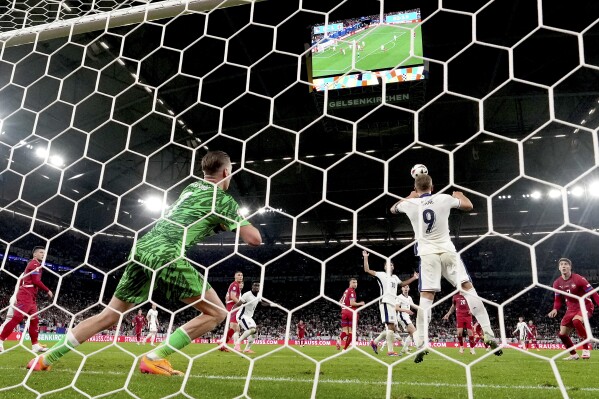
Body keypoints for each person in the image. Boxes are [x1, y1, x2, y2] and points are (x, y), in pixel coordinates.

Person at [28, 150, 262, 375]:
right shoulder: (223, 200)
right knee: (217, 313)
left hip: (142, 248)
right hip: (166, 253)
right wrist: (236, 219)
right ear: (226, 173)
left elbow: (195, 218)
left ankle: (45, 359)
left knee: (109, 316)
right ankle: (155, 358)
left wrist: (218, 224)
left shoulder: (190, 188)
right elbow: (254, 239)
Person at [390, 174, 502, 363]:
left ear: (416, 188)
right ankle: (489, 333)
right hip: (448, 251)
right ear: (432, 186)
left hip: (427, 255)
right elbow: (468, 206)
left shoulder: (411, 204)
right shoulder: (443, 198)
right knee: (468, 290)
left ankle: (422, 343)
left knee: (426, 298)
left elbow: (393, 209)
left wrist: (410, 197)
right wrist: (460, 194)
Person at [363, 250, 418, 356]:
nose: (390, 266)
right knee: (390, 326)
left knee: (392, 328)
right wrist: (365, 257)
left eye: (392, 264)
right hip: (385, 302)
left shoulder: (395, 278)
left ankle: (374, 342)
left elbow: (402, 284)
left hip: (392, 304)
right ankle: (390, 351)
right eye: (388, 264)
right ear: (385, 267)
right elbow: (367, 270)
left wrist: (414, 278)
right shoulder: (381, 275)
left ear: (393, 267)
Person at [0, 247, 53, 353]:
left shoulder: (37, 265)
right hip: (25, 296)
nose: (43, 254)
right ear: (35, 255)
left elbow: (27, 282)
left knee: (34, 320)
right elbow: (36, 280)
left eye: (44, 253)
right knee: (17, 318)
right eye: (41, 252)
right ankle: (0, 340)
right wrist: (48, 290)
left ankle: (35, 345)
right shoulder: (33, 264)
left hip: (31, 297)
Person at [548, 257, 599, 360]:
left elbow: (593, 292)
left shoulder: (578, 279)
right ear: (559, 268)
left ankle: (586, 349)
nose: (563, 266)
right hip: (570, 309)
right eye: (561, 264)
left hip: (585, 305)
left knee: (576, 321)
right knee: (562, 334)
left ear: (570, 267)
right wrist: (555, 309)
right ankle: (573, 354)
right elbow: (557, 300)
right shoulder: (557, 283)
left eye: (566, 264)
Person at [233, 282, 271, 353]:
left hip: (249, 317)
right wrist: (231, 312)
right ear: (252, 287)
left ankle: (247, 349)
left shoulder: (259, 295)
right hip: (242, 315)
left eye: (258, 286)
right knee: (252, 329)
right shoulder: (247, 295)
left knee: (254, 332)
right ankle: (237, 343)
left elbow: (261, 304)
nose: (256, 287)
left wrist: (271, 304)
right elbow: (238, 304)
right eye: (255, 285)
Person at [338, 278, 365, 351]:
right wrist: (360, 303)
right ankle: (344, 349)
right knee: (351, 332)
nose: (355, 284)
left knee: (345, 331)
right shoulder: (352, 291)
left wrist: (344, 309)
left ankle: (339, 339)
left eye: (356, 282)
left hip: (344, 312)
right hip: (351, 312)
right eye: (353, 282)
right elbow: (352, 303)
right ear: (350, 283)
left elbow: (340, 302)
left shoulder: (346, 291)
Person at [222, 271, 244, 350]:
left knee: (236, 328)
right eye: (238, 275)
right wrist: (241, 304)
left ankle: (231, 345)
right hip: (233, 306)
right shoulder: (235, 284)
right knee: (234, 326)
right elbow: (232, 296)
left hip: (233, 306)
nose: (240, 276)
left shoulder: (236, 285)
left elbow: (227, 297)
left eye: (241, 275)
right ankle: (223, 343)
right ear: (235, 276)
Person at [396, 284, 417, 355]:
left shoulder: (409, 298)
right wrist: (406, 310)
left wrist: (422, 309)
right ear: (402, 289)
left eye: (407, 287)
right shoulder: (399, 297)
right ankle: (420, 348)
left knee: (411, 334)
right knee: (414, 332)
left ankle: (402, 351)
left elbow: (413, 305)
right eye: (404, 287)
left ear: (409, 289)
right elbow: (396, 308)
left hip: (407, 317)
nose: (405, 288)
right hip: (402, 317)